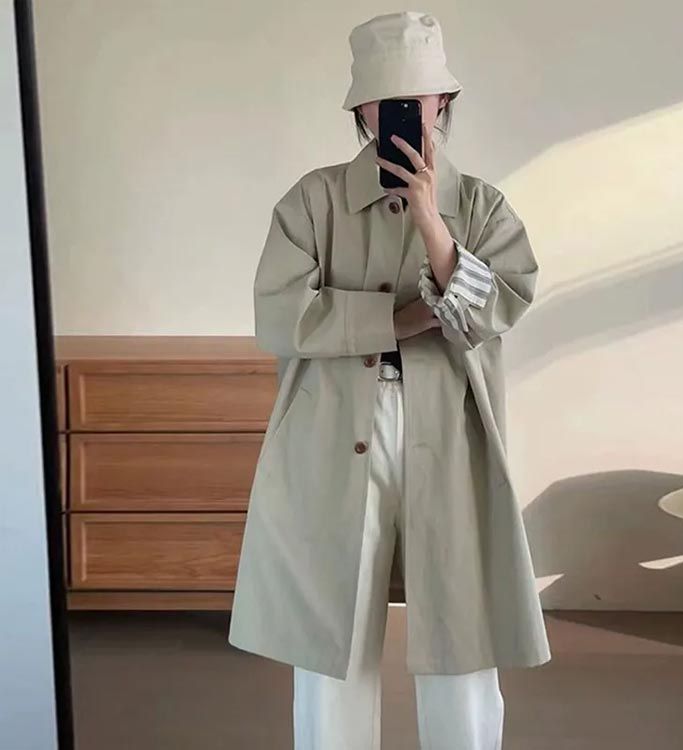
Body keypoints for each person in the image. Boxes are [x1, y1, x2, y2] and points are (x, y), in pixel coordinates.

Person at [228, 11, 551, 749]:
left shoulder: (481, 206)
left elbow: (497, 306)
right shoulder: (312, 201)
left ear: (443, 102)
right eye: (384, 99)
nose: (401, 112)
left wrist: (433, 222)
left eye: (417, 97)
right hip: (332, 426)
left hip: (451, 431)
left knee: (462, 631)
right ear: (361, 109)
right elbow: (280, 315)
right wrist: (400, 319)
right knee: (330, 635)